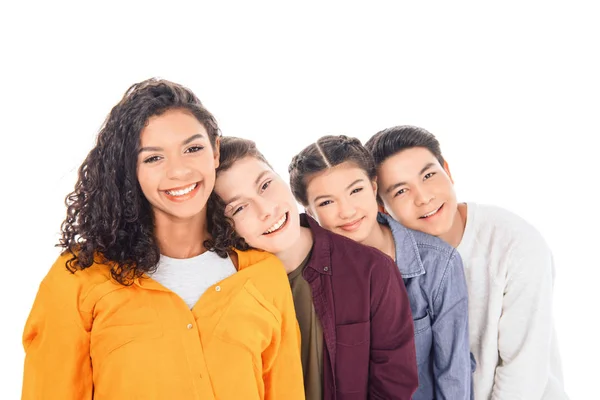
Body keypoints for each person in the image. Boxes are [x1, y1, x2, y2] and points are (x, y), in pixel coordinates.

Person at [21, 79, 305, 400]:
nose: (179, 172)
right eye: (154, 158)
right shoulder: (79, 276)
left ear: (215, 151)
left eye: (193, 149)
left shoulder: (264, 276)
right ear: (131, 170)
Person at [364, 125, 568, 399]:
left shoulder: (515, 243)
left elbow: (523, 373)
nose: (424, 197)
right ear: (380, 206)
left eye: (428, 175)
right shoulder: (382, 260)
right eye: (401, 191)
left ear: (447, 170)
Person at [211, 136, 418, 399]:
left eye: (265, 185)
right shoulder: (227, 287)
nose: (266, 210)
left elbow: (394, 385)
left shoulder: (372, 271)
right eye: (239, 207)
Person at [289, 135, 473, 400]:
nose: (347, 211)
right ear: (309, 211)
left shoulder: (437, 263)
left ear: (374, 187)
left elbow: (453, 372)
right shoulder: (306, 271)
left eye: (355, 190)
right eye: (327, 202)